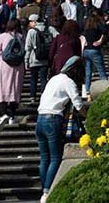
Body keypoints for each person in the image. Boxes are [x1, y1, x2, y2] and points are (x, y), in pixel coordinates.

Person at [36, 56, 87, 203]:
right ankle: (47, 192)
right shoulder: (68, 82)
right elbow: (78, 105)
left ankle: (43, 189)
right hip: (53, 119)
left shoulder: (54, 79)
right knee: (55, 157)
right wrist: (87, 115)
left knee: (44, 157)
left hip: (40, 119)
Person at [0, 19, 25, 130]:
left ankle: (3, 113)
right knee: (15, 90)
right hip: (18, 66)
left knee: (3, 89)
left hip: (5, 65)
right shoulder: (20, 36)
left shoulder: (3, 36)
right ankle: (12, 116)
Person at [25, 14, 57, 103]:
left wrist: (26, 60)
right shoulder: (49, 29)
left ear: (35, 21)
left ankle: (32, 97)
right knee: (43, 78)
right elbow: (57, 37)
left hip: (34, 59)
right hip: (45, 59)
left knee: (33, 78)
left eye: (31, 21)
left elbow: (28, 47)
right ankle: (44, 95)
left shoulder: (31, 31)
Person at [81, 14, 108, 97]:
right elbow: (105, 31)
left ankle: (87, 91)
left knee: (88, 71)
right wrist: (100, 40)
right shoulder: (98, 26)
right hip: (94, 50)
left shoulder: (86, 27)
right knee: (101, 71)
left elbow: (81, 34)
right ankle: (106, 88)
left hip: (86, 50)